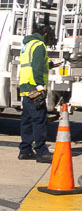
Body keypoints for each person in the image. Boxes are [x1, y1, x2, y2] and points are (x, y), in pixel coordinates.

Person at [16, 22, 52, 162]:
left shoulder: (28, 44)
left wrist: (51, 65)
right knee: (39, 120)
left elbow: (31, 64)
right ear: (45, 34)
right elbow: (36, 67)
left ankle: (25, 150)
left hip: (26, 88)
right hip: (34, 88)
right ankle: (41, 152)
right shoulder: (39, 45)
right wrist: (40, 86)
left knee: (27, 120)